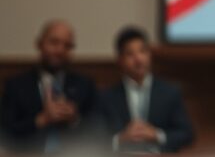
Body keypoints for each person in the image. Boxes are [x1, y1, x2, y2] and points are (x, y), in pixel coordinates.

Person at [0, 20, 99, 153]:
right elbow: (6, 133)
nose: (60, 50)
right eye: (54, 42)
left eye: (67, 45)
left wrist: (75, 119)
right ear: (39, 44)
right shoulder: (16, 85)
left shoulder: (84, 84)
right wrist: (41, 119)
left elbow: (99, 131)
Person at [98, 26, 195, 153]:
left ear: (150, 55)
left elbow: (187, 134)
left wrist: (157, 135)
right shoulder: (107, 97)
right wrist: (120, 139)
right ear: (120, 60)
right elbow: (94, 137)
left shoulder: (170, 92)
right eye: (130, 54)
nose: (138, 59)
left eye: (143, 51)